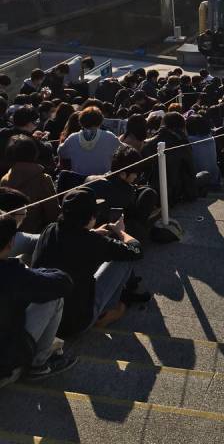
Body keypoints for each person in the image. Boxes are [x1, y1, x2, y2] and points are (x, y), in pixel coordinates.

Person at [31, 186, 144, 335]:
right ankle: (109, 312)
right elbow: (136, 251)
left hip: (42, 319)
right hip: (76, 324)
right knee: (123, 260)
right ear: (91, 217)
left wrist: (93, 233)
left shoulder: (50, 229)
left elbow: (72, 241)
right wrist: (120, 231)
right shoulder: (93, 242)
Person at [0, 215, 77, 387]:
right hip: (4, 368)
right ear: (10, 243)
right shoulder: (12, 274)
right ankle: (38, 364)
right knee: (53, 298)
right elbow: (64, 283)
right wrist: (30, 271)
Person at [1, 135, 59, 234]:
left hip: (8, 236)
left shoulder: (4, 180)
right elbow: (53, 214)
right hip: (37, 235)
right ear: (34, 153)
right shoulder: (43, 179)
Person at [58, 106, 120, 177]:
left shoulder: (72, 138)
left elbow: (61, 152)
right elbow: (123, 150)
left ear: (81, 121)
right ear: (100, 121)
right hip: (103, 180)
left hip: (79, 181)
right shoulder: (109, 136)